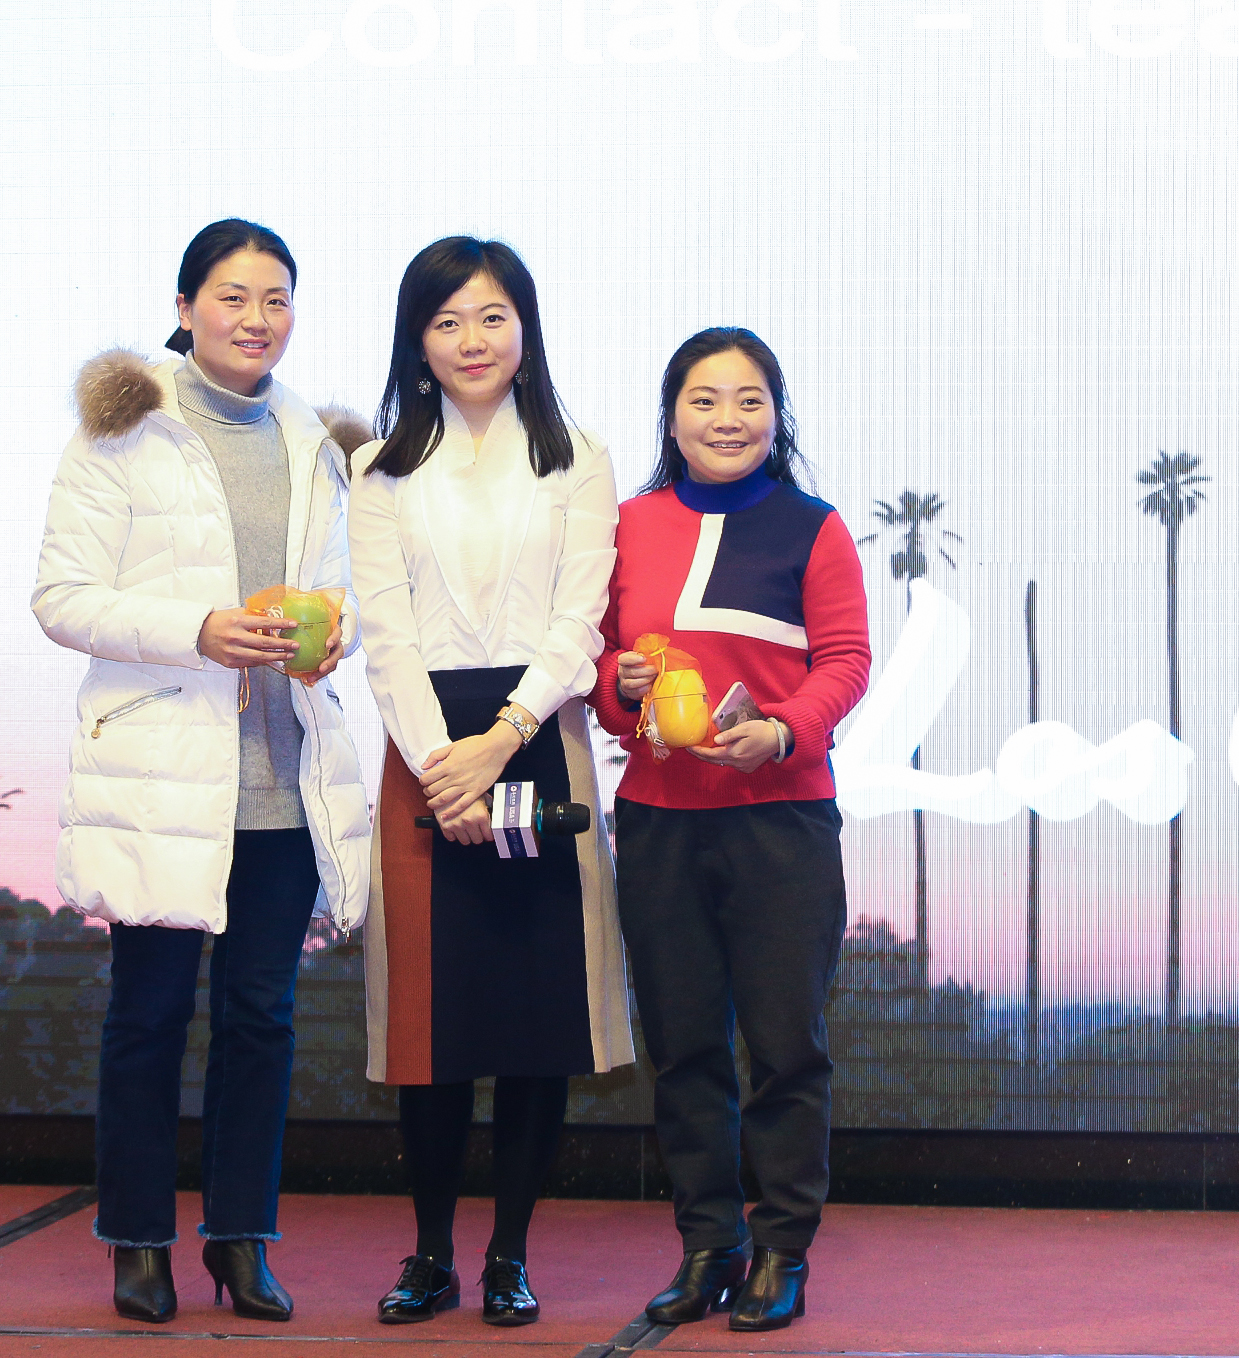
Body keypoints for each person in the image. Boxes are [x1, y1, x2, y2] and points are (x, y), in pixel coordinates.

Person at [30, 218, 371, 1326]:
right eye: (232, 296)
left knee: (261, 1018)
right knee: (149, 1012)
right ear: (185, 308)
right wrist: (198, 630)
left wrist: (337, 632)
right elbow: (61, 599)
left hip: (282, 770)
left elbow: (346, 592)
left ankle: (240, 1238)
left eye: (276, 299)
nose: (256, 319)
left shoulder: (316, 442)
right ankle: (137, 1240)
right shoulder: (125, 430)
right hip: (166, 777)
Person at [349, 237, 633, 1327]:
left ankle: (509, 1255)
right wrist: (444, 768)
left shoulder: (578, 456)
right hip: (422, 749)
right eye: (447, 321)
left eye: (492, 316)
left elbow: (580, 620)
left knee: (532, 1023)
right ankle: (430, 1255)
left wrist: (501, 738)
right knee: (432, 1032)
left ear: (526, 328)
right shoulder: (379, 468)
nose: (472, 340)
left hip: (537, 734)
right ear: (417, 341)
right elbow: (384, 632)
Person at [589, 328, 871, 1334]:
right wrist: (620, 686)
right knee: (682, 1047)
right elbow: (599, 670)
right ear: (671, 417)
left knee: (786, 1046)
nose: (726, 419)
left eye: (748, 400)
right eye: (704, 400)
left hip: (781, 820)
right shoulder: (626, 525)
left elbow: (846, 660)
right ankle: (709, 1245)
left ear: (775, 416)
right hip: (660, 820)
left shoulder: (814, 528)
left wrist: (784, 730)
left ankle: (782, 1249)